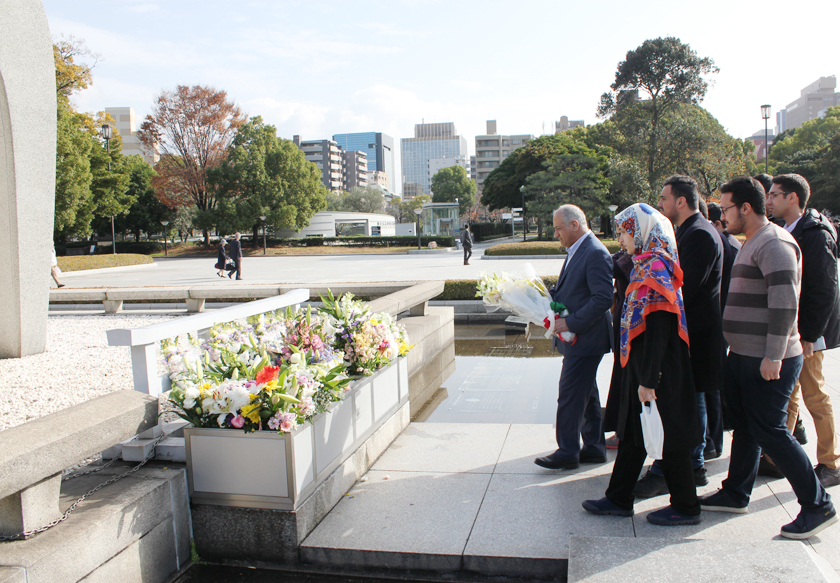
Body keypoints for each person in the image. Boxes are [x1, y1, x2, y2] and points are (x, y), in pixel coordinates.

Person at [699, 176, 837, 540]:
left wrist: (774, 355)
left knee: (772, 431)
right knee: (747, 426)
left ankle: (817, 504)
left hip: (769, 357)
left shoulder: (774, 242)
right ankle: (736, 492)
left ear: (746, 208)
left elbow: (784, 304)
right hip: (746, 353)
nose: (722, 215)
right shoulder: (754, 240)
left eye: (727, 208)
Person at [582, 203, 701, 526]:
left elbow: (659, 331)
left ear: (640, 231)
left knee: (671, 439)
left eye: (623, 231)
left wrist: (648, 380)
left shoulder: (655, 270)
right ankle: (618, 498)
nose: (620, 239)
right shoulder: (646, 265)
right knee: (634, 435)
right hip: (645, 369)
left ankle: (687, 507)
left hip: (659, 373)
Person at [633, 175, 724, 498]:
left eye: (664, 199)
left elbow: (684, 287)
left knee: (693, 398)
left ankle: (693, 464)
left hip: (697, 335)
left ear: (681, 201)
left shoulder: (699, 234)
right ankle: (687, 462)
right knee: (690, 399)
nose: (660, 205)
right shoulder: (685, 231)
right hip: (689, 333)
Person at [766, 173, 840, 488]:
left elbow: (825, 289)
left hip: (809, 330)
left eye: (774, 195)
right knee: (790, 394)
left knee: (813, 393)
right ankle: (776, 459)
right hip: (794, 329)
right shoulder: (790, 229)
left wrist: (810, 334)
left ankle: (831, 462)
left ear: (792, 198)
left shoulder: (816, 232)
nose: (768, 200)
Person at [534, 205, 612, 470]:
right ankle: (594, 447)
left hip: (586, 338)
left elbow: (603, 298)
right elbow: (577, 290)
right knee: (587, 393)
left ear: (574, 225)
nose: (556, 234)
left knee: (569, 394)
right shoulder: (580, 249)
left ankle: (567, 451)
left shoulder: (595, 252)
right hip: (581, 338)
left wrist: (570, 322)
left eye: (558, 228)